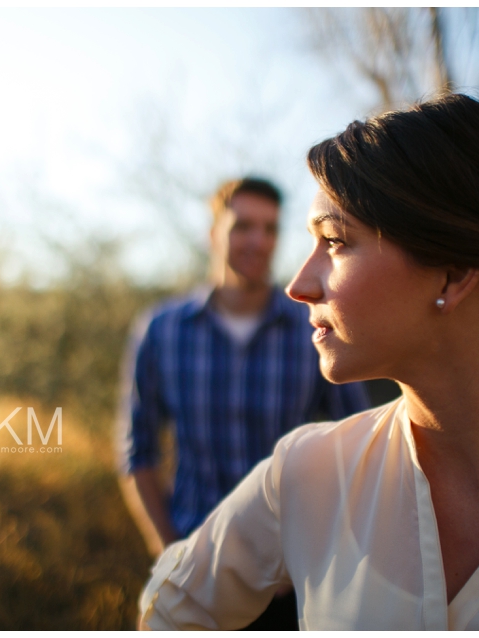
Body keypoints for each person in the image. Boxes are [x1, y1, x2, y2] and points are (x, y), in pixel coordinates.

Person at [136, 95, 479, 630]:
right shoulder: (306, 473)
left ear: (453, 274)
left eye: (334, 241)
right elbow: (172, 611)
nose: (299, 285)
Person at [118, 176, 370, 630]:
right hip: (191, 573)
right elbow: (138, 453)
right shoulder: (160, 330)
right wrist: (169, 551)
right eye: (243, 226)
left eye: (270, 229)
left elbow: (360, 446)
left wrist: (311, 550)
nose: (259, 240)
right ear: (213, 233)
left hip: (289, 582)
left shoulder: (315, 329)